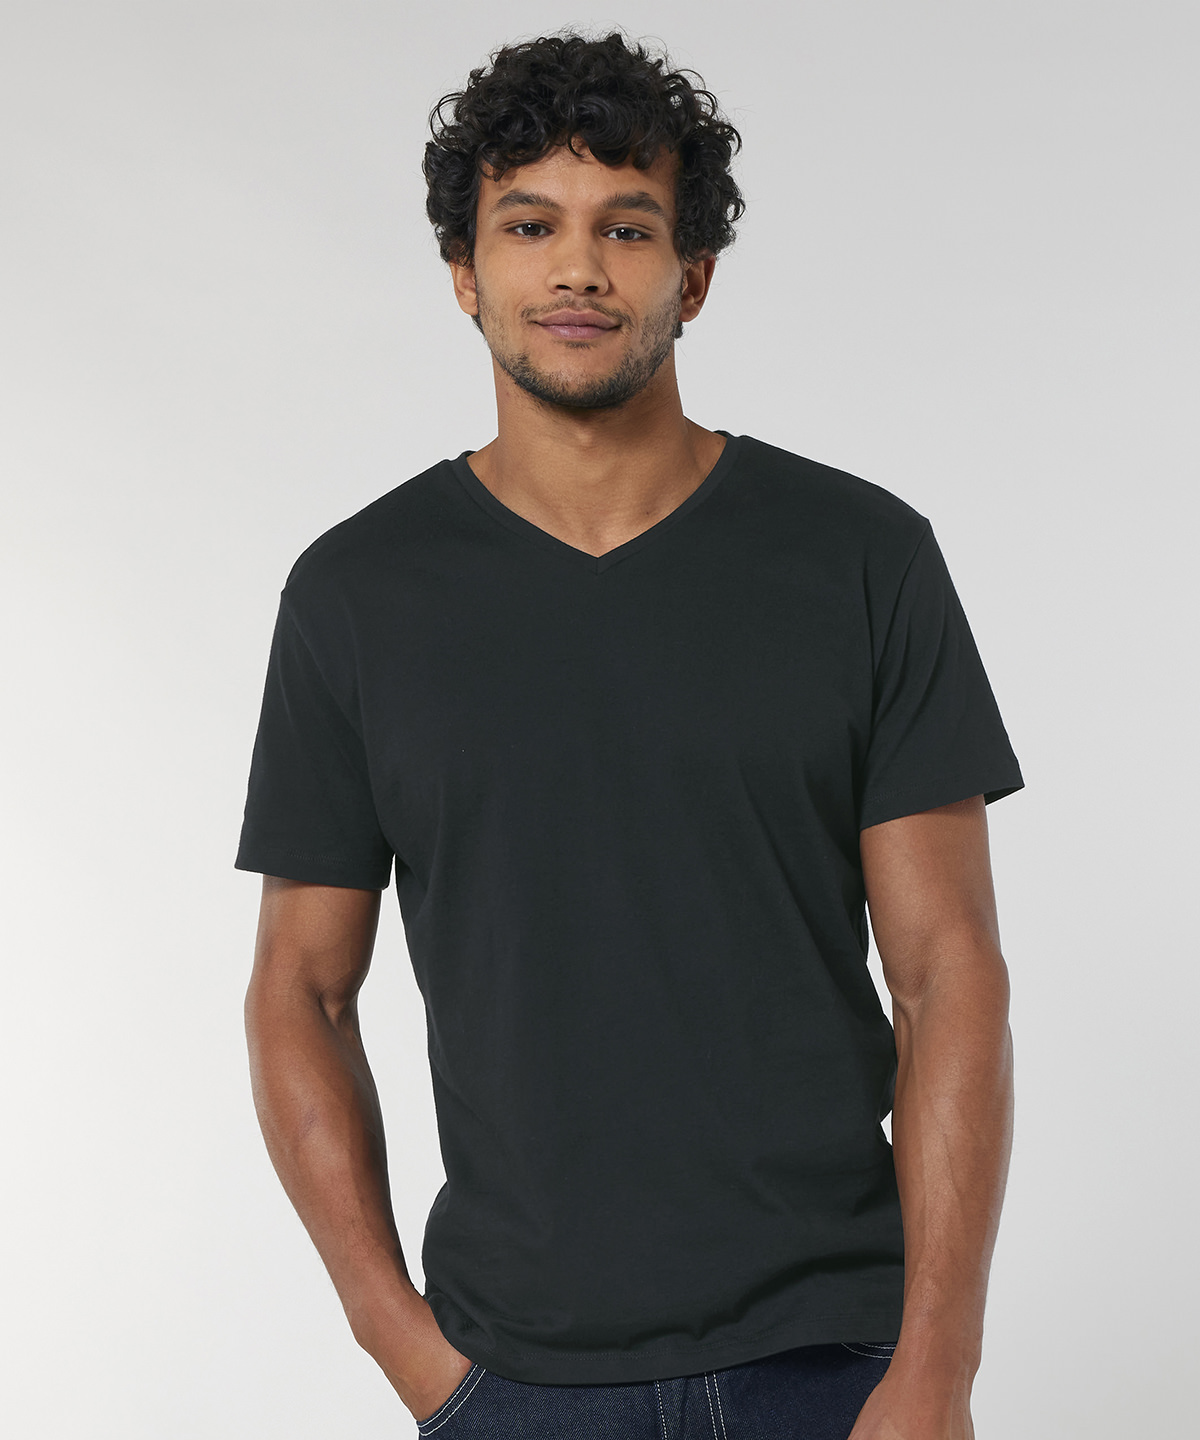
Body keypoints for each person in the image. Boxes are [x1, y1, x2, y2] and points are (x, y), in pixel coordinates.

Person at [237, 31, 1023, 1440]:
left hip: (838, 1361)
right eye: (529, 225)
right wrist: (408, 1351)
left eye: (627, 227)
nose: (578, 270)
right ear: (466, 273)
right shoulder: (356, 596)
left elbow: (946, 972)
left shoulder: (861, 557)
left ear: (693, 275)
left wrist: (938, 1371)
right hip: (510, 1376)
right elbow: (300, 990)